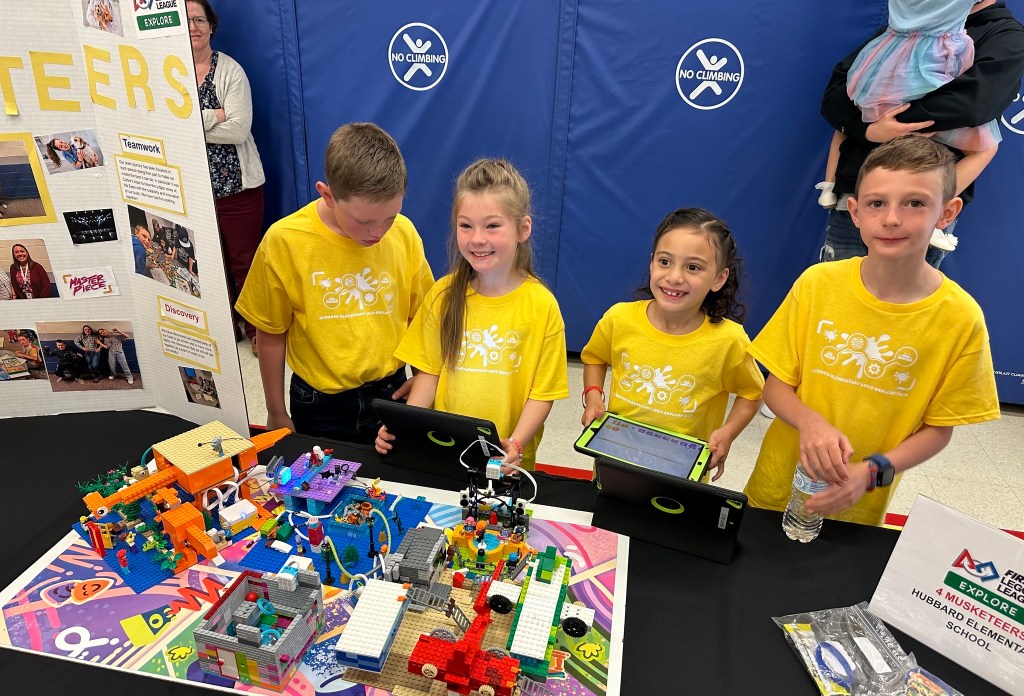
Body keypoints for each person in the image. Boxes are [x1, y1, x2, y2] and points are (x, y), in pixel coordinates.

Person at [745, 135, 999, 527]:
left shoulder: (960, 318)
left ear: (947, 213)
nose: (892, 218)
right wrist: (809, 422)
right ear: (855, 211)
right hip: (776, 486)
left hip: (859, 510)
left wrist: (873, 473)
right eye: (877, 203)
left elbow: (938, 431)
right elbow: (776, 386)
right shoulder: (818, 284)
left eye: (915, 203)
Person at [236, 122, 434, 442]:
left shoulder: (405, 234)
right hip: (319, 403)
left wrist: (422, 385)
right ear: (327, 195)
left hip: (392, 392)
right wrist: (275, 411)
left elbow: (420, 320)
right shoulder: (285, 241)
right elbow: (271, 332)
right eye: (364, 220)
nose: (378, 232)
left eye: (390, 217)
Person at [375, 159, 569, 470]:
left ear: (523, 229)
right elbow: (428, 375)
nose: (477, 238)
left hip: (505, 462)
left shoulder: (542, 305)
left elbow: (542, 393)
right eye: (466, 225)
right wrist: (406, 427)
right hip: (443, 451)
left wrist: (516, 443)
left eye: (492, 225)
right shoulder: (442, 295)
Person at [819, 0, 1024, 268]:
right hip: (857, 196)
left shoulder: (1005, 36)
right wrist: (869, 129)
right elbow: (838, 92)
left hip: (922, 205)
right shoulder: (906, 28)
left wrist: (889, 118)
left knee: (905, 305)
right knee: (838, 299)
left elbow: (974, 104)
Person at [579, 208, 764, 481]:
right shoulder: (619, 318)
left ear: (719, 278)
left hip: (682, 477)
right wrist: (594, 395)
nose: (675, 277)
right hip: (615, 464)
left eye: (693, 267)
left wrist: (727, 434)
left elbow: (752, 393)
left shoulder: (729, 341)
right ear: (652, 262)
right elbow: (595, 357)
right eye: (665, 262)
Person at [189, 0, 266, 355]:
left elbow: (238, 129)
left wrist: (191, 123)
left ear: (211, 26)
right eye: (186, 21)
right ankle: (222, 327)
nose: (194, 27)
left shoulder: (230, 71)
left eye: (200, 19)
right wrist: (212, 115)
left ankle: (256, 329)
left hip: (237, 187)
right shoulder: (167, 72)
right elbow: (164, 127)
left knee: (245, 262)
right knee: (204, 262)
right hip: (190, 189)